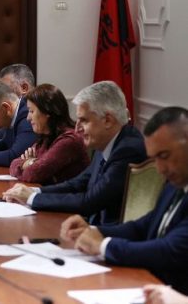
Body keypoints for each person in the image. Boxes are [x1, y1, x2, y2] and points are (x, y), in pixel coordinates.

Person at [60, 106, 188, 294]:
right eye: (154, 159)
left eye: (164, 156)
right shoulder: (175, 184)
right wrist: (94, 231)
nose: (160, 169)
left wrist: (103, 245)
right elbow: (144, 226)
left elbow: (169, 250)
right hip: (149, 286)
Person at [3, 81, 146, 225]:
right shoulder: (106, 142)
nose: (77, 129)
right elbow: (77, 184)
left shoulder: (128, 150)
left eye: (84, 120)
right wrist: (34, 192)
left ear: (107, 120)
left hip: (108, 232)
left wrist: (31, 198)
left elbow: (90, 201)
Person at [8, 84, 89, 184]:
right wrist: (30, 162)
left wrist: (28, 164)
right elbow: (13, 164)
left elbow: (33, 174)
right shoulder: (46, 137)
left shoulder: (69, 140)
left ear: (47, 112)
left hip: (66, 194)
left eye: (32, 111)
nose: (28, 118)